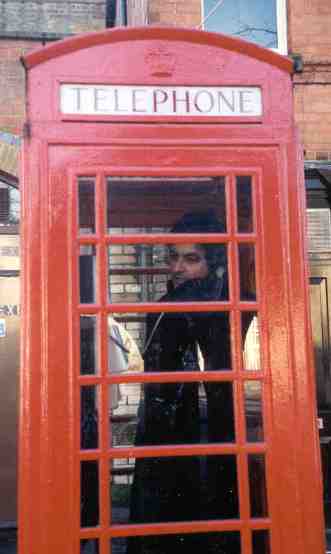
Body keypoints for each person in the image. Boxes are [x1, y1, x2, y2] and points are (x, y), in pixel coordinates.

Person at [128, 211, 240, 554]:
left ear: (217, 263)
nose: (177, 268)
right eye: (173, 257)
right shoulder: (167, 307)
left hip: (218, 437)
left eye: (191, 259)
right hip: (170, 439)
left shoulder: (232, 307)